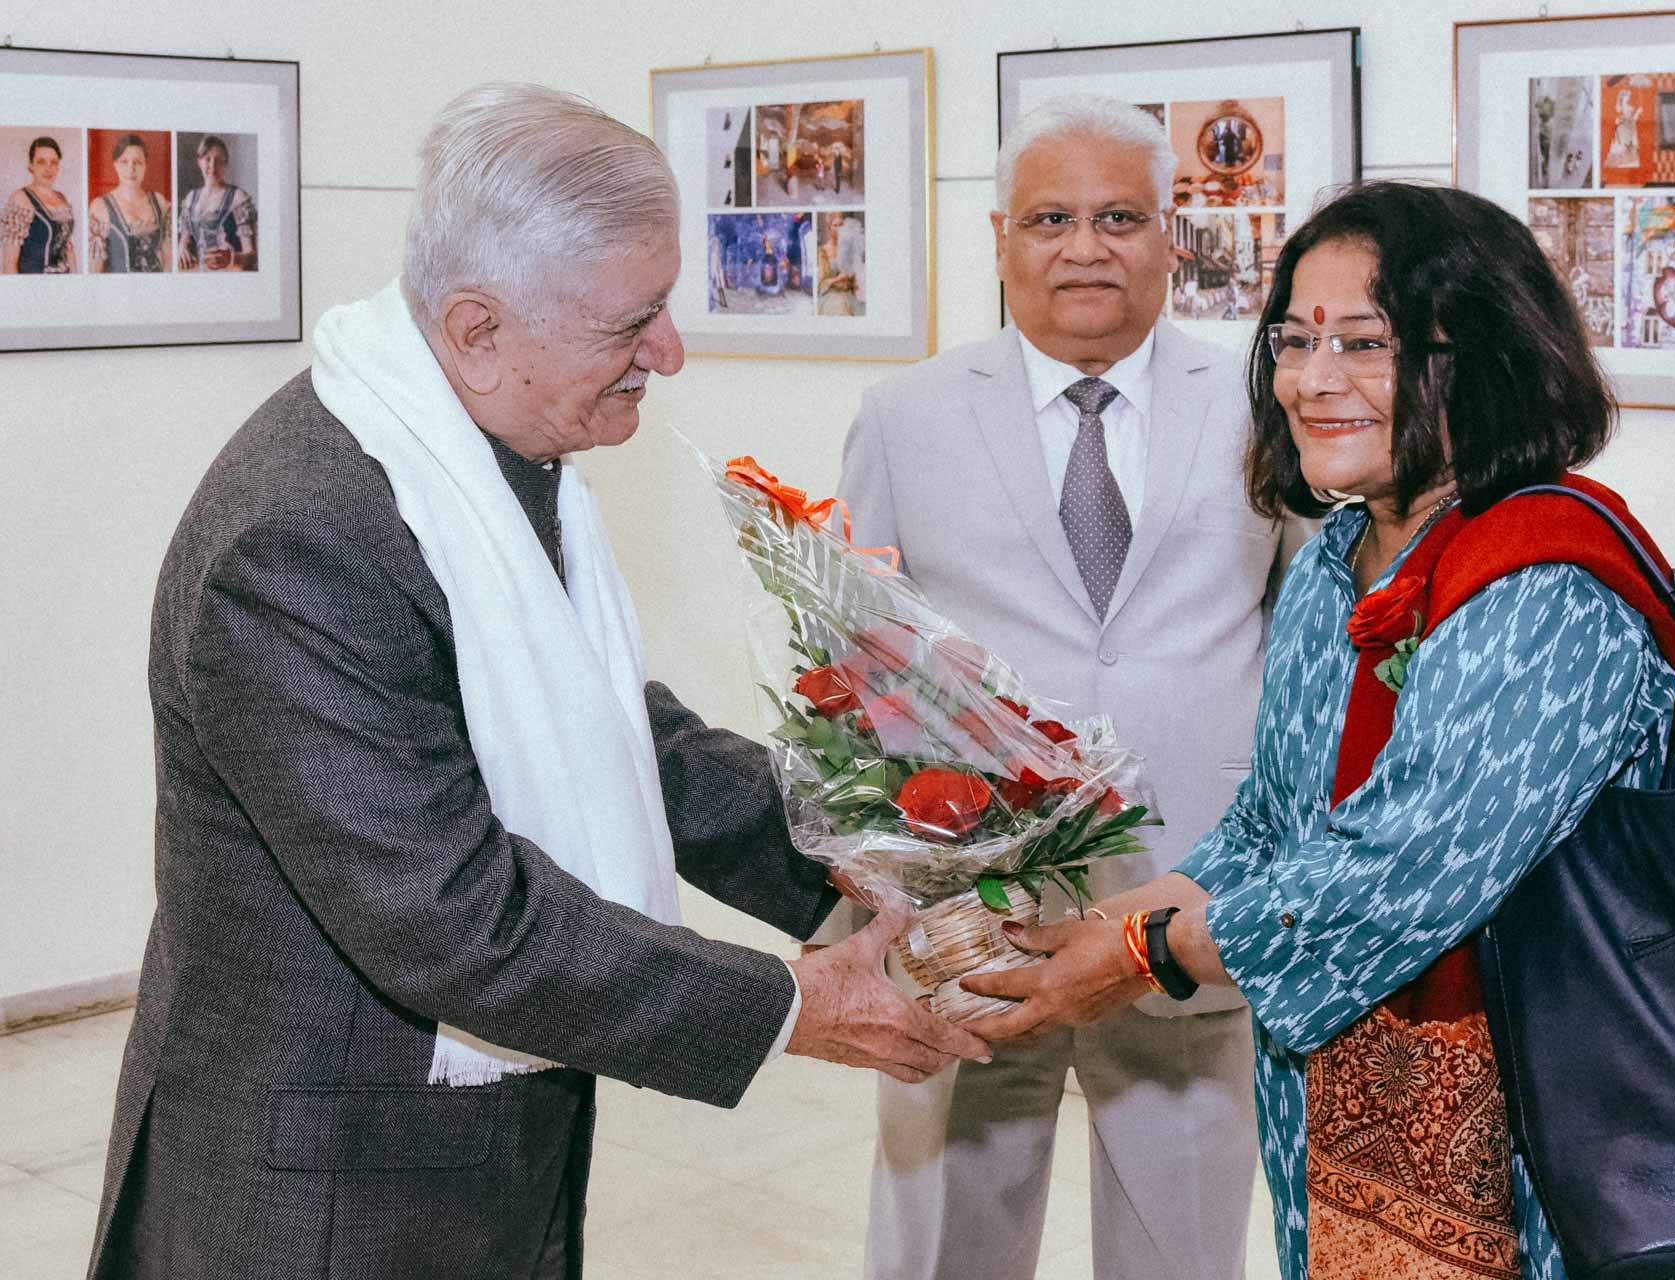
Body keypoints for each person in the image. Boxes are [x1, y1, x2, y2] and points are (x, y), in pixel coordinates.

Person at [86, 82, 986, 1280]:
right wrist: (797, 1001)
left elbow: (620, 739)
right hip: (324, 1195)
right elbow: (452, 916)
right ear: (477, 330)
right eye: (634, 322)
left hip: (480, 1144)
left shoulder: (478, 454)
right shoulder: (302, 538)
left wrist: (879, 859)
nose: (669, 352)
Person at [965, 182, 1675, 1280]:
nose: (1311, 380)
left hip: (1571, 1128)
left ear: (1486, 359)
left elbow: (1396, 879)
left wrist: (1136, 958)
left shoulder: (1544, 588)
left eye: (1365, 343)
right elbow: (1274, 827)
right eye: (1294, 339)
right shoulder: (1339, 558)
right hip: (1343, 1107)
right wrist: (1085, 930)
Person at [824, 93, 1293, 1280]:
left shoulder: (1262, 407)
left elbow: (1306, 651)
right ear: (999, 239)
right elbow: (852, 663)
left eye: (1119, 217)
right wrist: (875, 877)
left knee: (1182, 1254)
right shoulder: (904, 416)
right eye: (1049, 219)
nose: (1085, 247)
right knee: (945, 1246)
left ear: (1170, 235)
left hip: (1187, 906)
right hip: (969, 917)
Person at [175, 134, 258, 271]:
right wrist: (182, 250)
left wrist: (231, 259)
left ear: (225, 164)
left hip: (231, 274)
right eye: (207, 159)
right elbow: (184, 241)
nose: (212, 166)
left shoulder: (238, 197)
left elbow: (252, 256)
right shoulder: (191, 198)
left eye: (219, 161)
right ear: (199, 162)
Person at [89, 132, 169, 273]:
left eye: (138, 162)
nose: (131, 169)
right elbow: (95, 269)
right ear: (115, 165)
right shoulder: (101, 206)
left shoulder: (159, 201)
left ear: (145, 165)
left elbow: (168, 256)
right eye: (124, 162)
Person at [1, 134, 74, 274]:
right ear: (31, 165)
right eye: (41, 162)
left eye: (53, 162)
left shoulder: (62, 198)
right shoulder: (21, 198)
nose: (48, 168)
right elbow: (9, 263)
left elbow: (68, 249)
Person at [817, 210, 864, 316]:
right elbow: (820, 285)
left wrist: (855, 283)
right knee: (841, 307)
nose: (838, 229)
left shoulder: (849, 248)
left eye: (841, 225)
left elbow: (854, 280)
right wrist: (838, 278)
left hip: (849, 295)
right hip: (832, 295)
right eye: (835, 225)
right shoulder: (824, 251)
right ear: (829, 228)